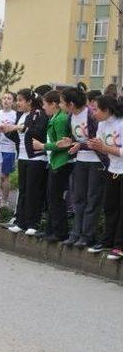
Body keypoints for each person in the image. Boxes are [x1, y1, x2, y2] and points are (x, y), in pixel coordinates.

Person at [60, 85, 105, 249]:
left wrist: (80, 146)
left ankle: (88, 236)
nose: (61, 106)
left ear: (71, 104)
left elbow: (97, 142)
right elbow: (76, 139)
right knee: (78, 198)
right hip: (80, 161)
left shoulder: (91, 115)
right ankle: (76, 233)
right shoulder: (70, 117)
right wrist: (70, 143)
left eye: (63, 102)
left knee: (92, 199)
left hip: (96, 162)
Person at [6, 89, 49, 235]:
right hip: (23, 156)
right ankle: (21, 221)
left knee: (33, 191)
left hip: (36, 158)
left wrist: (19, 127)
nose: (17, 103)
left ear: (29, 102)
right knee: (23, 190)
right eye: (17, 100)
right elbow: (18, 136)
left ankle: (33, 223)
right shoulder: (22, 115)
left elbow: (38, 131)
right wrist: (8, 130)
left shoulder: (39, 114)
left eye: (20, 100)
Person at [85, 95, 123, 259]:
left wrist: (104, 147)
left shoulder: (121, 124)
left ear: (106, 110)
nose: (93, 113)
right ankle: (107, 241)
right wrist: (92, 145)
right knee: (109, 207)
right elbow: (102, 148)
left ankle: (119, 246)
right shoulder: (101, 124)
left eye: (96, 109)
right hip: (112, 169)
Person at [32, 90, 72, 242]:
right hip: (54, 162)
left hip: (61, 163)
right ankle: (50, 230)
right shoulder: (54, 117)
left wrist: (42, 146)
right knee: (51, 199)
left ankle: (60, 232)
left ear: (53, 104)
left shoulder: (60, 119)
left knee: (56, 199)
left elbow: (63, 144)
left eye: (44, 104)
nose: (43, 108)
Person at [0, 92, 18, 208]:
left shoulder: (15, 115)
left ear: (13, 102)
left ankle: (4, 201)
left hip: (8, 148)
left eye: (9, 98)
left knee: (4, 176)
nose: (6, 100)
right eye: (4, 98)